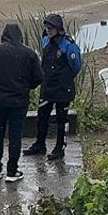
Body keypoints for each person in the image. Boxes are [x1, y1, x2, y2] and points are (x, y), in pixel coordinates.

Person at [0, 23, 43, 182]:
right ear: (20, 36)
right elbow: (39, 77)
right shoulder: (29, 54)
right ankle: (12, 171)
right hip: (19, 100)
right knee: (15, 135)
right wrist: (28, 86)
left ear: (4, 36)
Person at [25, 13, 82, 160]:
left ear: (58, 29)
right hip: (47, 86)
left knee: (61, 119)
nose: (48, 30)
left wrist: (65, 78)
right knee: (42, 116)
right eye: (46, 27)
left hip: (63, 88)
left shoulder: (68, 45)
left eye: (51, 27)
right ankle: (40, 144)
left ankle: (59, 147)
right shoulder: (45, 41)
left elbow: (76, 66)